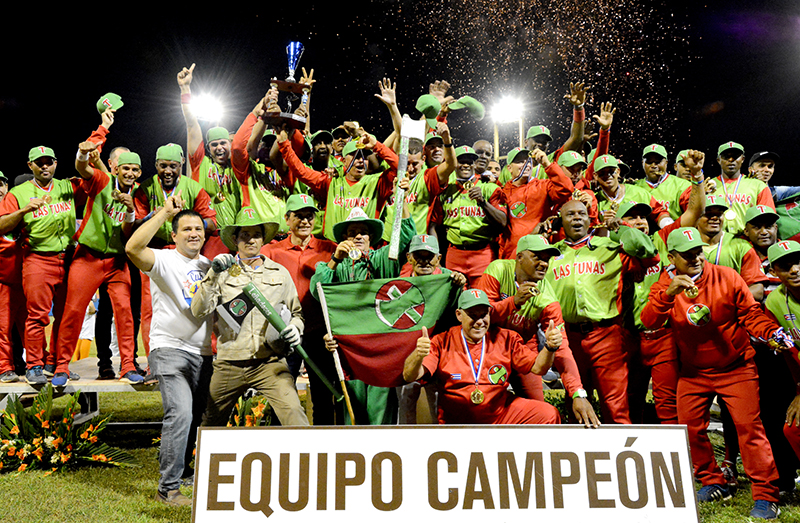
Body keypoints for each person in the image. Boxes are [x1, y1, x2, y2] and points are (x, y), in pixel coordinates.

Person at [641, 226, 788, 520]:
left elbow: (750, 313)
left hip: (736, 367)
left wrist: (770, 331)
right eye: (687, 255)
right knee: (691, 428)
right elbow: (649, 321)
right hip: (694, 372)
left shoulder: (726, 276)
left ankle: (766, 495)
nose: (695, 258)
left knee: (750, 430)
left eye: (698, 252)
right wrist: (668, 295)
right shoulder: (665, 285)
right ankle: (712, 481)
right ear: (672, 257)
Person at [125, 195, 214, 507]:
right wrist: (163, 213)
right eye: (186, 229)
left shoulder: (210, 267)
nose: (193, 234)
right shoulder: (163, 260)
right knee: (180, 413)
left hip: (204, 353)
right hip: (170, 350)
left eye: (198, 229)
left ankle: (185, 471)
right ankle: (168, 489)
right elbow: (132, 249)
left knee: (197, 417)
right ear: (174, 235)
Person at [191, 208, 308, 428]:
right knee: (209, 422)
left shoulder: (279, 273)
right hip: (229, 362)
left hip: (269, 363)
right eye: (244, 234)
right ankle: (199, 462)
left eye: (255, 234)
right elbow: (198, 311)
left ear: (263, 238)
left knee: (294, 413)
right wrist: (214, 273)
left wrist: (295, 327)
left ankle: (306, 461)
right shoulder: (221, 271)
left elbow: (297, 313)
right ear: (235, 239)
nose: (250, 239)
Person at [545, 198, 659, 423]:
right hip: (569, 336)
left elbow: (649, 253)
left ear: (590, 220)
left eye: (582, 214)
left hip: (606, 334)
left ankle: (621, 454)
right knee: (575, 402)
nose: (577, 217)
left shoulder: (610, 248)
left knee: (614, 404)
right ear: (561, 221)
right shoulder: (550, 254)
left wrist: (622, 229)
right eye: (570, 215)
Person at [311, 199, 416, 425]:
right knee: (352, 413)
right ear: (344, 239)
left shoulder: (381, 258)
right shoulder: (330, 265)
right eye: (352, 233)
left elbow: (405, 237)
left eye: (363, 233)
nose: (358, 237)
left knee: (380, 410)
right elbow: (316, 289)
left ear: (371, 238)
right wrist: (335, 259)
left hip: (379, 345)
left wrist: (402, 199)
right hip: (349, 347)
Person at [477, 234, 599, 427]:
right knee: (481, 408)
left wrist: (578, 392)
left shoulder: (547, 298)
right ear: (519, 258)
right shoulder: (498, 270)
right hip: (488, 348)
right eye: (537, 257)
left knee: (540, 413)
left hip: (523, 349)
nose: (544, 263)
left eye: (547, 259)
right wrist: (514, 302)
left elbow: (561, 347)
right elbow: (479, 317)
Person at [52, 136, 144, 385]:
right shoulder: (102, 180)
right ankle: (62, 367)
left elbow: (127, 235)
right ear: (116, 168)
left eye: (135, 169)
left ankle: (127, 365)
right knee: (73, 311)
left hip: (117, 262)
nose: (130, 173)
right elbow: (83, 168)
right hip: (87, 257)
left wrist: (130, 211)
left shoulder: (137, 195)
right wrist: (82, 154)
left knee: (125, 313)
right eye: (126, 168)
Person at [403, 288, 561, 425]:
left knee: (548, 415)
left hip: (500, 415)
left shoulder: (507, 338)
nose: (479, 321)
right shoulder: (442, 341)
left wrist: (550, 347)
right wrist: (418, 355)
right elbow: (410, 375)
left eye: (483, 315)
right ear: (459, 315)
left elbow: (539, 367)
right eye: (473, 315)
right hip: (458, 421)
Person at [0, 146, 84, 385]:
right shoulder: (18, 193)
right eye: (39, 163)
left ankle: (58, 365)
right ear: (31, 166)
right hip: (37, 258)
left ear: (56, 163)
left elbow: (92, 182)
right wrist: (24, 210)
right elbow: (2, 225)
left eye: (49, 162)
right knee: (37, 316)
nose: (44, 166)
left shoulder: (67, 187)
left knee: (65, 316)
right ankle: (34, 365)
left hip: (68, 259)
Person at [261, 194, 340, 425]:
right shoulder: (271, 252)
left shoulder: (329, 249)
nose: (305, 221)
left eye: (310, 216)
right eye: (299, 216)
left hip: (319, 333)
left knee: (323, 395)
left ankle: (322, 449)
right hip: (285, 332)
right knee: (282, 394)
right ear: (287, 219)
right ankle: (279, 450)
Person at [397, 233, 466, 424]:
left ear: (439, 258)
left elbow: (464, 314)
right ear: (409, 257)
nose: (424, 261)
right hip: (409, 350)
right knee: (405, 402)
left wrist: (459, 288)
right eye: (419, 256)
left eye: (429, 256)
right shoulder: (400, 284)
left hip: (440, 350)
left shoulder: (451, 280)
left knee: (439, 406)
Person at [438, 145, 508, 286]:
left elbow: (502, 222)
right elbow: (435, 224)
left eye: (469, 162)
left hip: (482, 253)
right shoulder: (445, 190)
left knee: (480, 299)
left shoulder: (489, 188)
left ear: (474, 164)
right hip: (454, 253)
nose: (465, 165)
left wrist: (483, 202)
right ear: (453, 163)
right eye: (461, 161)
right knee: (455, 300)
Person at [498, 147, 573, 259]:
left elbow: (566, 189)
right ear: (509, 168)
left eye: (528, 162)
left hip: (539, 252)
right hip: (512, 255)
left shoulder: (543, 186)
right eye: (520, 162)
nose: (526, 165)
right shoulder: (502, 192)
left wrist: (547, 164)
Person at [708, 141, 774, 236]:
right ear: (718, 160)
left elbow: (768, 220)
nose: (731, 159)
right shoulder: (708, 186)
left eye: (735, 156)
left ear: (742, 159)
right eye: (726, 156)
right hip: (717, 241)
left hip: (748, 241)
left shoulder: (758, 186)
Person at [635, 143, 691, 221]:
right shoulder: (635, 187)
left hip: (673, 231)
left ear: (666, 163)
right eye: (649, 162)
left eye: (658, 162)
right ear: (643, 164)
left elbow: (692, 215)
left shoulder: (682, 185)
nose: (654, 165)